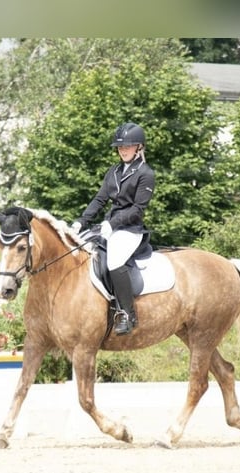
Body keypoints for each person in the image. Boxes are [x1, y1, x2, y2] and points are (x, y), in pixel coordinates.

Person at [71, 122, 155, 336]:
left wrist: (112, 224)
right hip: (110, 227)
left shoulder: (145, 173)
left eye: (128, 146)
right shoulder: (114, 171)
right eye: (120, 147)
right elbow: (100, 199)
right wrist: (82, 221)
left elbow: (137, 209)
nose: (123, 150)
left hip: (130, 229)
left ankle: (127, 314)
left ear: (139, 147)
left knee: (115, 261)